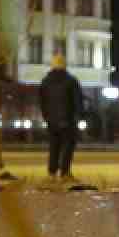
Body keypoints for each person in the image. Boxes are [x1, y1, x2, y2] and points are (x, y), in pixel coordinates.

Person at [39, 54, 83, 182]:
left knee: (54, 146)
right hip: (68, 120)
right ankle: (64, 173)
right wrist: (79, 116)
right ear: (64, 65)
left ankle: (52, 172)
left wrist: (46, 116)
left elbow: (42, 101)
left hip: (51, 121)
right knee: (68, 146)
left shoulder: (45, 81)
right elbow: (77, 101)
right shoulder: (71, 80)